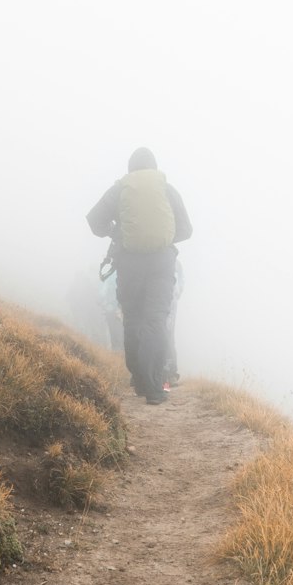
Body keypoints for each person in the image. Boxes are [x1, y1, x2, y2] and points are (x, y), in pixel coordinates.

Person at [86, 148, 192, 404]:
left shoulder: (121, 188)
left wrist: (117, 233)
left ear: (130, 168)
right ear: (154, 168)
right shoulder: (167, 188)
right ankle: (155, 386)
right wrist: (165, 239)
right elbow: (186, 230)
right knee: (156, 320)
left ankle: (140, 380)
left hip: (129, 263)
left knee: (132, 318)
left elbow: (94, 220)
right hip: (161, 264)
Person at [165, 255, 184, 385]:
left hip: (162, 303)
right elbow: (181, 285)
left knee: (162, 336)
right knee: (168, 337)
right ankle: (169, 375)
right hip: (171, 302)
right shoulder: (176, 263)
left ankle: (166, 377)